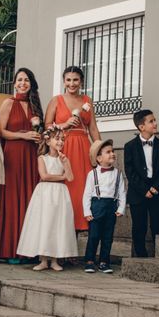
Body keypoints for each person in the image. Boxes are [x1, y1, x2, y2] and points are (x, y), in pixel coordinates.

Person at [45, 66, 101, 232]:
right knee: (66, 188)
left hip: (83, 148)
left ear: (81, 81)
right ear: (64, 82)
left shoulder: (87, 100)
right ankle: (61, 236)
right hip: (63, 147)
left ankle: (76, 234)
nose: (72, 83)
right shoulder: (56, 100)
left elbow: (93, 128)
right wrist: (64, 124)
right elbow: (47, 126)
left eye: (75, 80)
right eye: (68, 80)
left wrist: (100, 150)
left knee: (81, 190)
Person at [0, 68, 43, 263]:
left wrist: (40, 138)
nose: (23, 83)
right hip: (13, 155)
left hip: (32, 156)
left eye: (26, 80)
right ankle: (11, 248)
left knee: (30, 199)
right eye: (19, 80)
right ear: (14, 83)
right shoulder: (8, 103)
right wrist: (23, 135)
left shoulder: (36, 105)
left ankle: (30, 249)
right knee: (14, 199)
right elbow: (1, 132)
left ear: (31, 83)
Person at [16, 125, 78, 271]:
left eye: (63, 139)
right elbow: (44, 176)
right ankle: (43, 260)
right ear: (48, 141)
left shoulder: (64, 159)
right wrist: (61, 177)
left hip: (60, 194)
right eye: (57, 139)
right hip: (44, 193)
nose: (61, 142)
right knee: (44, 223)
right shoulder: (42, 158)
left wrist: (65, 164)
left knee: (57, 223)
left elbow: (70, 177)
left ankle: (55, 259)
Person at [124, 110, 159, 258]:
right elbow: (129, 171)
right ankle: (140, 256)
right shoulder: (130, 146)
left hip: (156, 190)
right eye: (151, 121)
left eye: (155, 120)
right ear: (141, 126)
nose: (155, 123)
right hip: (138, 192)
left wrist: (156, 187)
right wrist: (144, 189)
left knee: (157, 225)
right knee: (139, 226)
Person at [82, 139, 127, 274]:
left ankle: (104, 262)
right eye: (108, 152)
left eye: (112, 151)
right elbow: (87, 194)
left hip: (111, 206)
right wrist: (87, 211)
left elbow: (122, 192)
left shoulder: (118, 174)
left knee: (108, 237)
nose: (112, 154)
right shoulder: (92, 174)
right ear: (99, 158)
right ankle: (89, 261)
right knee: (94, 235)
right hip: (97, 205)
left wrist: (121, 208)